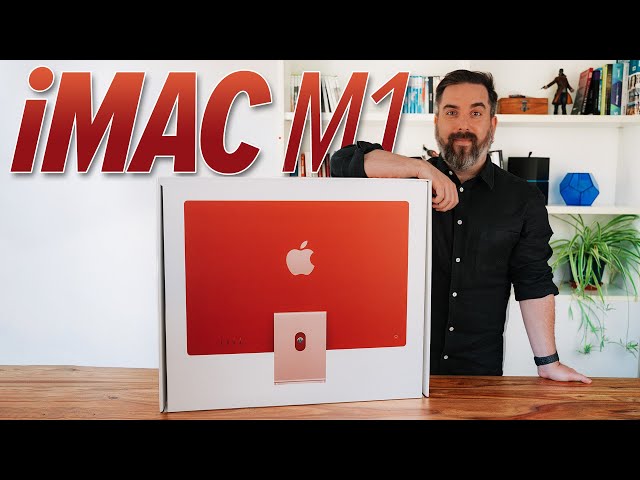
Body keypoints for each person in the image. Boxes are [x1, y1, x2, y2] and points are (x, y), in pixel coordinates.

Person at [330, 69, 591, 384]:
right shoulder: (404, 183)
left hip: (478, 375)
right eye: (451, 112)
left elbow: (533, 282)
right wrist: (419, 168)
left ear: (492, 124)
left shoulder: (523, 200)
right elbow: (341, 163)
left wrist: (548, 362)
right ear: (436, 122)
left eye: (476, 113)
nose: (463, 125)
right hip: (397, 367)